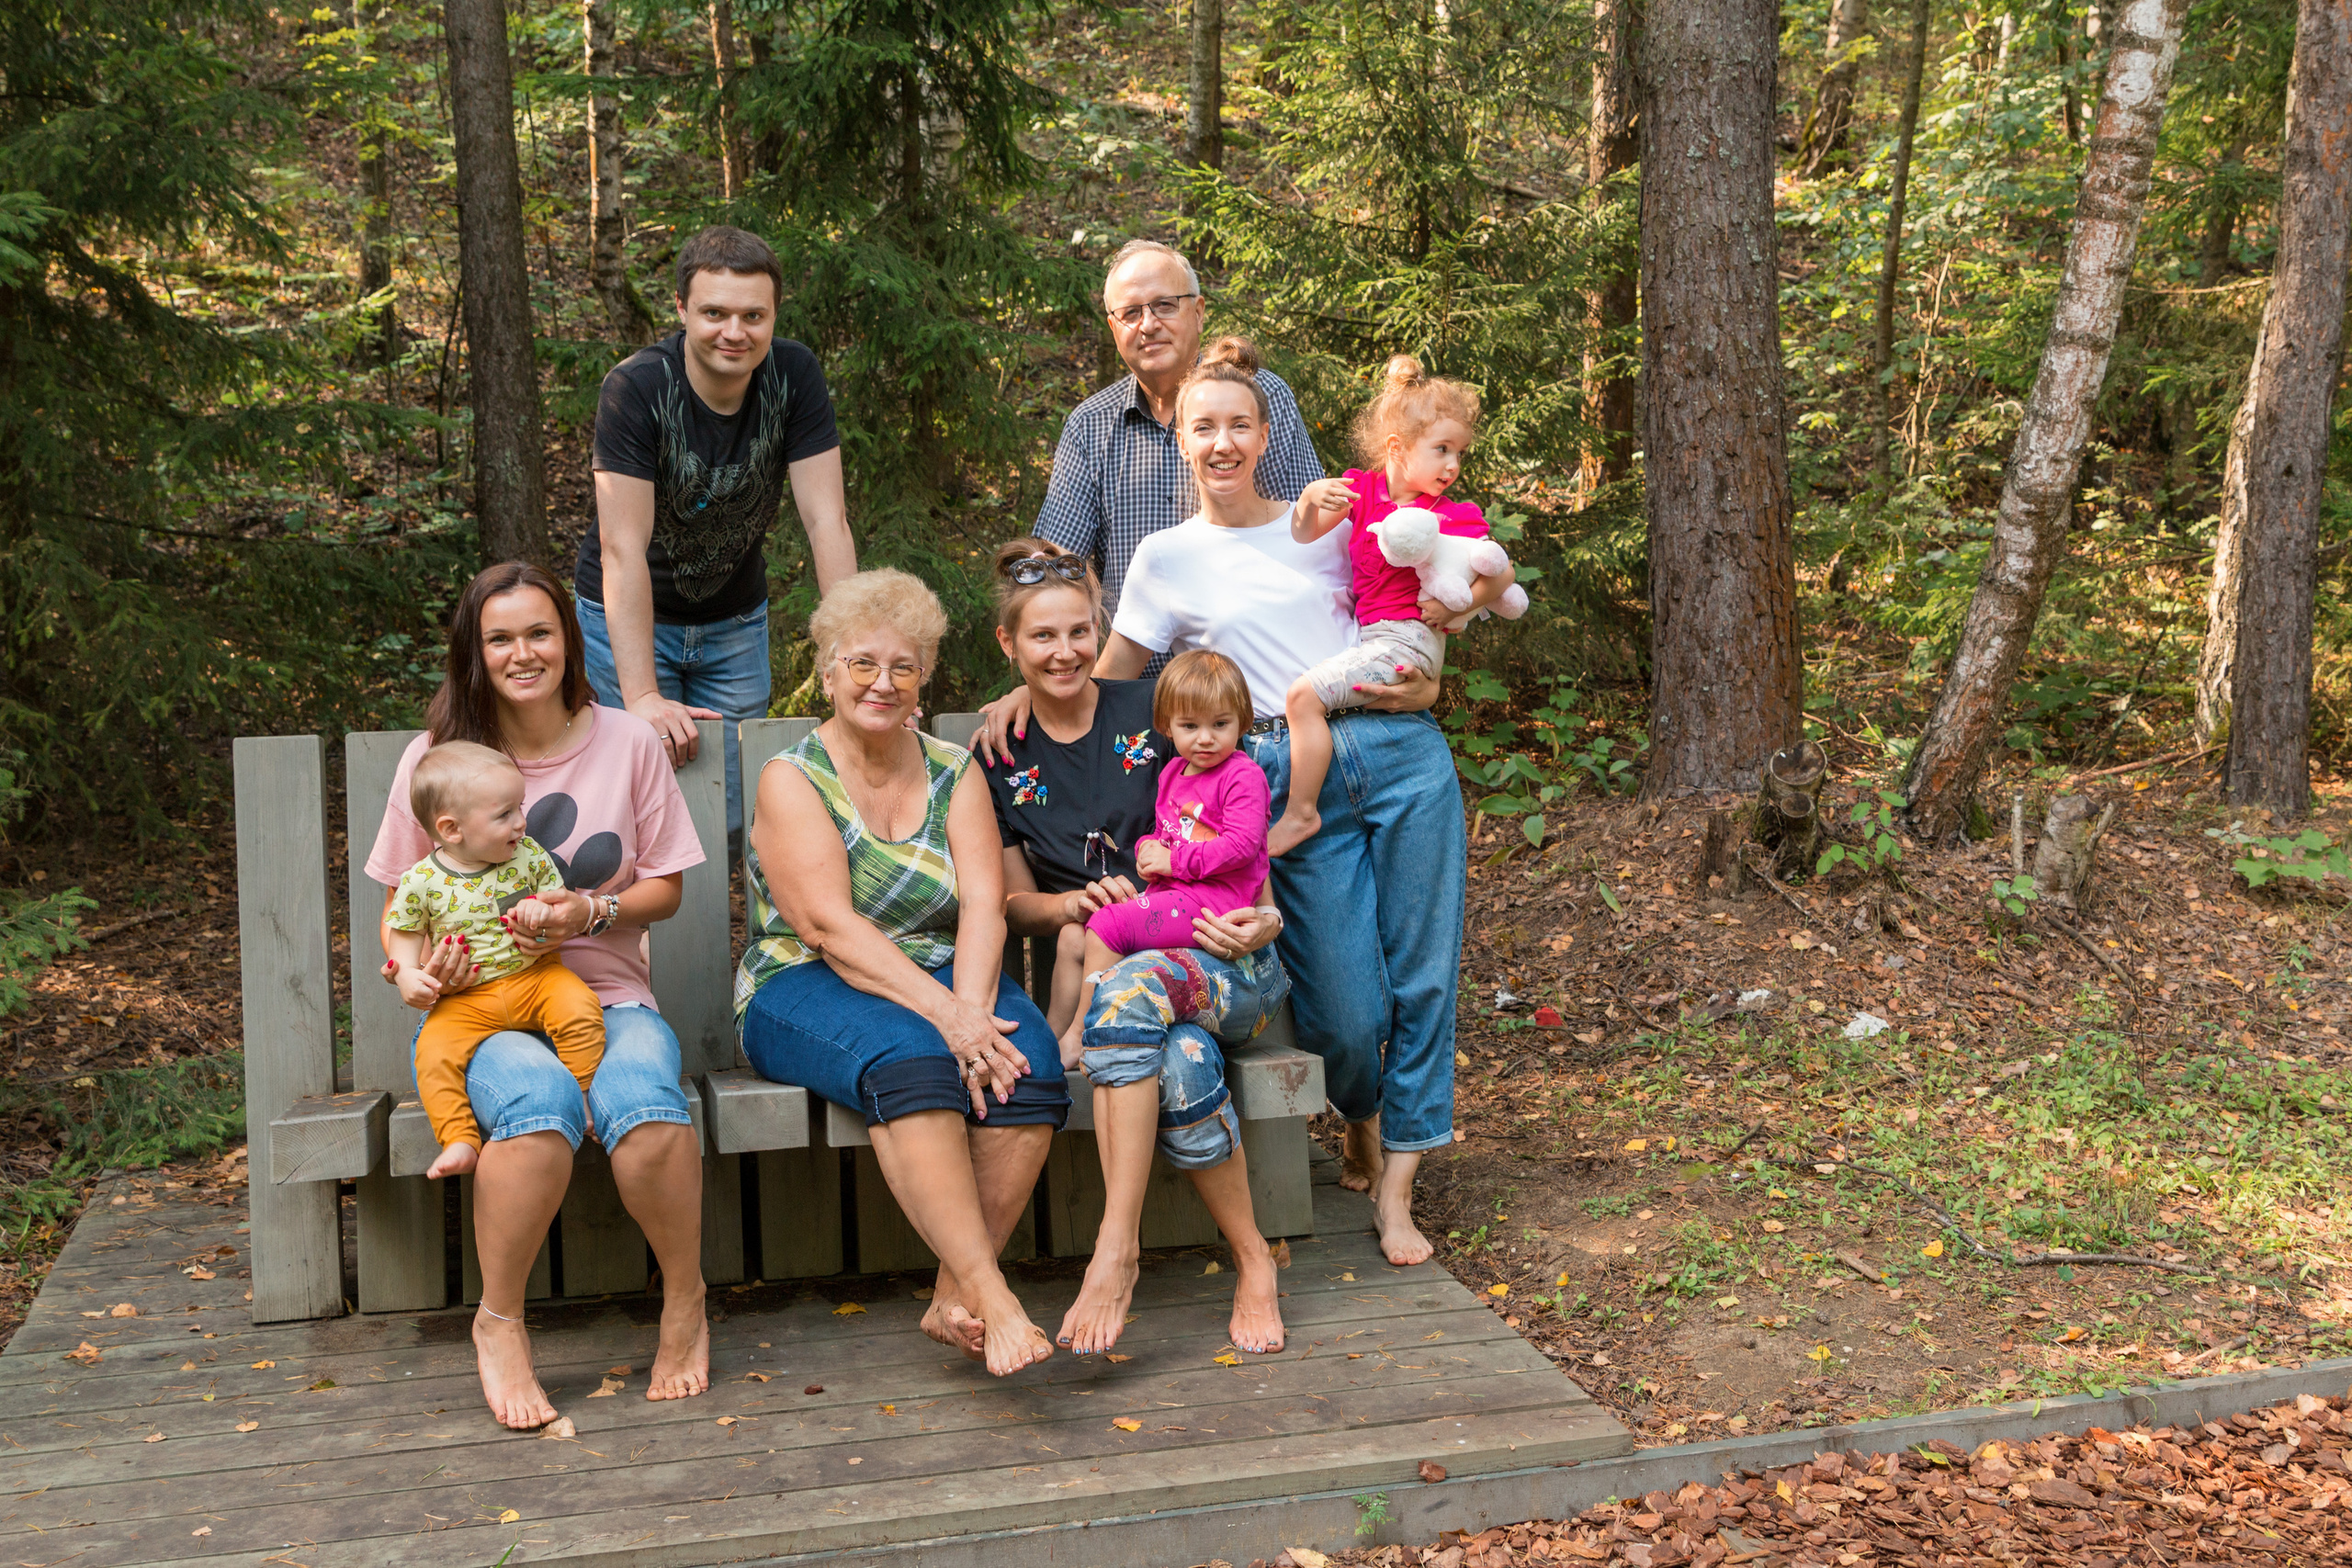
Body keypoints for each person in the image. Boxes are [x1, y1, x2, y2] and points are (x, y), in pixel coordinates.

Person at [1035, 336, 1465, 1270]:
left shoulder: (1330, 522)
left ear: (1268, 435)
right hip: (1277, 776)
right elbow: (1108, 684)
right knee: (1345, 1008)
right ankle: (1362, 1106)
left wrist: (1436, 669)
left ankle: (1398, 1184)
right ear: (1181, 441)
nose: (1222, 442)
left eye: (1239, 425)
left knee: (1424, 975)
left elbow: (1418, 603)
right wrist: (1022, 702)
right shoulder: (1164, 557)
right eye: (1204, 428)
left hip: (1395, 747)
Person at [366, 561, 711, 1430]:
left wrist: (589, 909)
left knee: (643, 1098)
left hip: (607, 992)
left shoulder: (627, 742)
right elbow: (401, 910)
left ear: (569, 639)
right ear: (474, 651)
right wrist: (421, 972)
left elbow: (665, 889)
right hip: (483, 1010)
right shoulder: (435, 761)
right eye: (500, 638)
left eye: (539, 632)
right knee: (537, 1100)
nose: (523, 653)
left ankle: (685, 1300)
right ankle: (500, 1321)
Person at [736, 569, 1067, 1379]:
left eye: (903, 666)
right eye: (862, 663)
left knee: (1027, 1061)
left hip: (944, 972)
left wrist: (974, 1011)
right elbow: (828, 927)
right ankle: (995, 1298)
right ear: (827, 671)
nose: (882, 682)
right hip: (801, 979)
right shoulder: (793, 777)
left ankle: (952, 1296)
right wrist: (950, 1020)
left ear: (924, 679)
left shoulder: (955, 770)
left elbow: (985, 905)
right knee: (914, 1060)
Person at [979, 540, 1292, 1357]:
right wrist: (1069, 905)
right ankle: (1254, 1259)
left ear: (1100, 629)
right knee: (1180, 1060)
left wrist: (1266, 920)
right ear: (1009, 644)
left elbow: (1237, 829)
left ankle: (1115, 1249)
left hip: (1224, 957)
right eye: (1041, 636)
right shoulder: (1001, 754)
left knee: (1131, 997)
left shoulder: (1158, 711)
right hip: (1126, 972)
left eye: (1079, 631)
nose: (1065, 651)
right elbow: (1011, 901)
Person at [581, 224, 858, 849]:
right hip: (627, 616)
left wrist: (854, 654)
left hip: (733, 620)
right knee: (633, 800)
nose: (735, 332)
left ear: (774, 314)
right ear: (682, 308)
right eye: (714, 313)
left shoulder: (794, 374)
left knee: (732, 809)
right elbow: (622, 548)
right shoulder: (637, 387)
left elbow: (827, 521)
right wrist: (642, 694)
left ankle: (718, 916)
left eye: (753, 316)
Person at [1272, 355, 1519, 857]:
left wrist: (1457, 610)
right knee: (1318, 700)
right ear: (1396, 449)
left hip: (1409, 639)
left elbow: (1504, 574)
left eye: (1459, 453)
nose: (1453, 465)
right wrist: (1310, 499)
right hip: (1376, 639)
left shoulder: (1451, 514)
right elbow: (1304, 534)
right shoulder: (1362, 491)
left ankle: (1300, 813)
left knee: (1302, 698)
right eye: (1442, 449)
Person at [1033, 239, 1322, 621]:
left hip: (1248, 650)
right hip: (1135, 657)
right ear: (1113, 328)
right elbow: (1054, 569)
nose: (1149, 325)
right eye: (1130, 313)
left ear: (1198, 313)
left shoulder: (1260, 397)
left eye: (1165, 305)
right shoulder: (1091, 426)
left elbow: (1314, 535)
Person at [384, 741, 605, 1180]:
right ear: (451, 829)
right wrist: (407, 974)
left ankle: (583, 1094)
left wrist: (542, 910)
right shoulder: (420, 881)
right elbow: (404, 936)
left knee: (580, 1007)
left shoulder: (528, 855)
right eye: (505, 814)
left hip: (537, 978)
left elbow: (555, 899)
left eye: (519, 807)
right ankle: (459, 1139)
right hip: (465, 1001)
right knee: (433, 1054)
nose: (522, 822)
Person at [1061, 650, 1270, 1061]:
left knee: (1109, 925)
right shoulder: (1174, 772)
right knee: (1073, 936)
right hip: (1176, 894)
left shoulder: (1242, 776)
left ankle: (1083, 1033)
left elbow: (1242, 846)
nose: (1205, 738)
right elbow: (1164, 833)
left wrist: (1174, 863)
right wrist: (1146, 849)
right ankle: (1054, 1037)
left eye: (1220, 724)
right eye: (1190, 726)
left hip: (1216, 903)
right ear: (1167, 726)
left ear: (1242, 721)